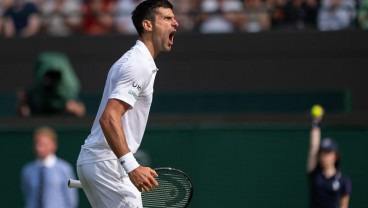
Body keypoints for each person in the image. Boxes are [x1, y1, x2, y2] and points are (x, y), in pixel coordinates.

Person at [76, 0, 179, 207]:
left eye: (174, 18)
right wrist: (131, 166)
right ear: (147, 25)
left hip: (100, 161)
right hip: (108, 164)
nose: (175, 23)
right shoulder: (138, 64)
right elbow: (109, 117)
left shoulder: (136, 61)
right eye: (167, 18)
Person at [21, 126, 78, 208]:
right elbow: (27, 195)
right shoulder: (27, 170)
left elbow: (71, 199)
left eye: (43, 144)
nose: (39, 148)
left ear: (53, 145)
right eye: (36, 144)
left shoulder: (64, 169)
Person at [16, 51, 86, 117]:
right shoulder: (34, 93)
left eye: (55, 76)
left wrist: (74, 108)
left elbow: (81, 110)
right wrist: (23, 106)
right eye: (48, 76)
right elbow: (25, 113)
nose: (51, 79)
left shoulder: (68, 92)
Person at [306, 107, 352, 208]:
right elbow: (314, 147)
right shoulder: (315, 174)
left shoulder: (343, 181)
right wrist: (315, 123)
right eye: (322, 153)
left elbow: (344, 206)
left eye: (327, 153)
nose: (324, 157)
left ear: (335, 156)